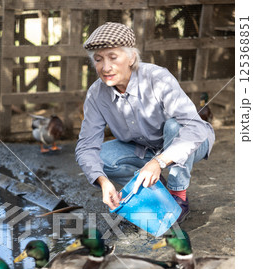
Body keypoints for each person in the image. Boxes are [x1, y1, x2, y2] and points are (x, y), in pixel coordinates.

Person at [75, 22, 215, 223]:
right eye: (98, 60)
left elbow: (194, 126)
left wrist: (158, 162)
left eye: (113, 57)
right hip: (144, 149)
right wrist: (103, 182)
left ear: (131, 57)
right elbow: (86, 147)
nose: (105, 67)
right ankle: (159, 192)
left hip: (191, 141)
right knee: (101, 158)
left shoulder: (157, 77)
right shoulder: (96, 94)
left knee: (174, 126)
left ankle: (178, 195)